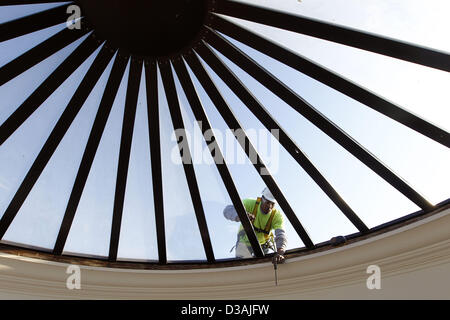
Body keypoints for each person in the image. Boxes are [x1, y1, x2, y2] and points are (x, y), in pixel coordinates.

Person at [223, 187, 287, 263]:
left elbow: (281, 235)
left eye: (272, 204)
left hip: (263, 246)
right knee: (243, 266)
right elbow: (227, 210)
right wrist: (242, 216)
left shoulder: (276, 216)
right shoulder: (249, 203)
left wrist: (280, 253)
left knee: (263, 266)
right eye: (267, 202)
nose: (269, 206)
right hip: (244, 243)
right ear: (262, 199)